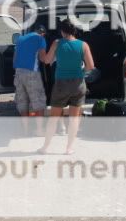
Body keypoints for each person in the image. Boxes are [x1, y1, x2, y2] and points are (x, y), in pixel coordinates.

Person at [39, 19, 94, 154]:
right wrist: (81, 72)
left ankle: (45, 147)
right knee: (74, 119)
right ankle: (69, 148)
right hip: (78, 84)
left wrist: (41, 50)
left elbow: (47, 60)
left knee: (54, 118)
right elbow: (90, 66)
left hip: (61, 85)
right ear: (74, 31)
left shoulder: (57, 43)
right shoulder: (83, 45)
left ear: (62, 31)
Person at [12, 24, 48, 134]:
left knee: (22, 102)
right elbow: (43, 58)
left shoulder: (20, 39)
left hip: (18, 73)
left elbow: (14, 59)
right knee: (38, 101)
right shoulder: (40, 39)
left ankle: (25, 130)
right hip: (31, 73)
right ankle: (39, 130)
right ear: (43, 33)